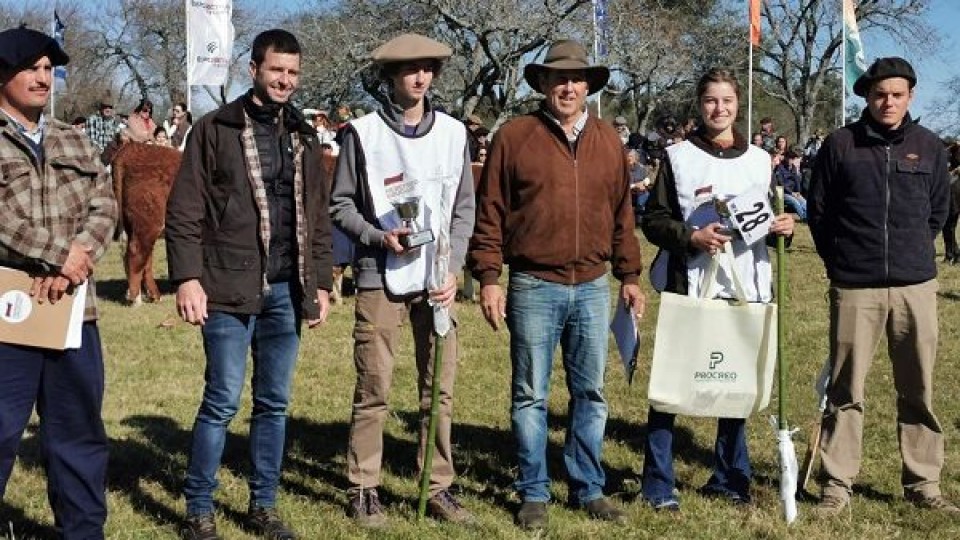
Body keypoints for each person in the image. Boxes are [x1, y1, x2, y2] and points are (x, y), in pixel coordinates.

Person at [469, 38, 645, 530]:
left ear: (589, 85)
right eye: (557, 78)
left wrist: (630, 275)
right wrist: (488, 277)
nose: (567, 87)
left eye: (575, 78)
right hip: (533, 284)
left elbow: (621, 216)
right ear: (543, 83)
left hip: (592, 284)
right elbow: (491, 213)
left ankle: (588, 486)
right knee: (530, 394)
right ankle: (533, 492)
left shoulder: (610, 140)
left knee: (590, 393)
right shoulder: (514, 137)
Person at [165, 29, 333, 539]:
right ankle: (199, 509)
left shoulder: (303, 135)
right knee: (221, 401)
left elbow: (317, 218)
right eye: (276, 70)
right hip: (226, 288)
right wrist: (188, 278)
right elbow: (184, 211)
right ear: (254, 69)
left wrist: (320, 282)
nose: (285, 80)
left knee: (274, 404)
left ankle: (263, 507)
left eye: (293, 73)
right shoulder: (215, 129)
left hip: (286, 289)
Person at [329, 32, 475, 527]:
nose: (419, 77)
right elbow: (341, 204)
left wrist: (453, 268)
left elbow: (463, 209)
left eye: (427, 68)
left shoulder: (455, 134)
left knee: (440, 390)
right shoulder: (362, 133)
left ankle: (437, 485)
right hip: (379, 276)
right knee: (374, 387)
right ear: (391, 76)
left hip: (437, 281)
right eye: (410, 69)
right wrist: (375, 236)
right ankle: (364, 485)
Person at [808, 56, 958, 515]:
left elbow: (937, 212)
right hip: (856, 286)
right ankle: (836, 484)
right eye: (879, 94)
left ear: (910, 96)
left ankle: (923, 483)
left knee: (918, 388)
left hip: (915, 286)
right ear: (867, 97)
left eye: (896, 94)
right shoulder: (839, 145)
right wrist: (845, 261)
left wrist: (912, 253)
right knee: (845, 388)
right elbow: (819, 213)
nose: (887, 101)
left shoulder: (930, 147)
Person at [640, 67, 794, 512]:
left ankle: (731, 478)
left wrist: (784, 228)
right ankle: (658, 484)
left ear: (738, 105)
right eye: (711, 100)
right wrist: (691, 238)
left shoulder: (760, 160)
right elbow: (654, 220)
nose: (719, 108)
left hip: (746, 285)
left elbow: (767, 220)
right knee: (670, 386)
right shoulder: (678, 157)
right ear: (700, 104)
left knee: (736, 386)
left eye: (727, 100)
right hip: (691, 284)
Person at [0, 27, 118, 539]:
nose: (43, 77)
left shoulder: (74, 138)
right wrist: (55, 253)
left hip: (73, 311)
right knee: (1, 431)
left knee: (78, 433)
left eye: (49, 68)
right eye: (32, 67)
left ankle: (83, 532)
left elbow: (105, 202)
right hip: (7, 313)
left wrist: (82, 256)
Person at [773, 146, 806, 221]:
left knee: (803, 201)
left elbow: (797, 182)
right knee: (795, 202)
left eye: (792, 159)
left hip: (793, 192)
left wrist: (798, 192)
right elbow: (781, 183)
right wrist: (791, 193)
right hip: (784, 193)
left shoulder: (793, 168)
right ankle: (805, 218)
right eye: (789, 158)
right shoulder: (780, 168)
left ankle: (809, 217)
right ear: (785, 157)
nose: (790, 160)